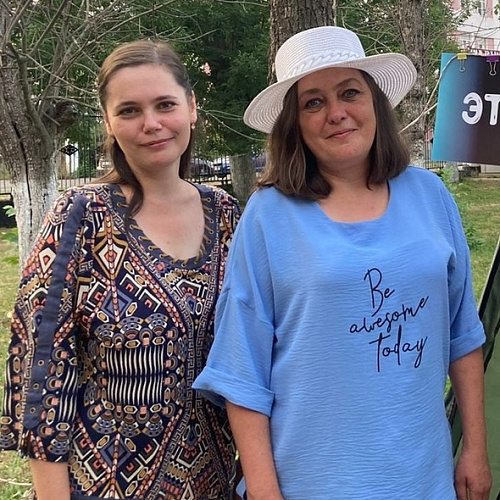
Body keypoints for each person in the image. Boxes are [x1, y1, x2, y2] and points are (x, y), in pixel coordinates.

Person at [193, 26, 492, 500]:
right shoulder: (268, 216)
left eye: (349, 92)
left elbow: (463, 335)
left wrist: (475, 447)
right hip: (311, 484)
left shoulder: (431, 196)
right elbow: (241, 369)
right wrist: (265, 492)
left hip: (423, 479)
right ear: (295, 124)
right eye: (313, 102)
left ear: (375, 102)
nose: (336, 113)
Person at [0, 40, 240, 500]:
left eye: (165, 104)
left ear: (191, 108)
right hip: (103, 485)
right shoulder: (81, 216)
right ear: (108, 122)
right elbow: (41, 371)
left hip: (214, 483)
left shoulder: (228, 215)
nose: (151, 123)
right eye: (129, 110)